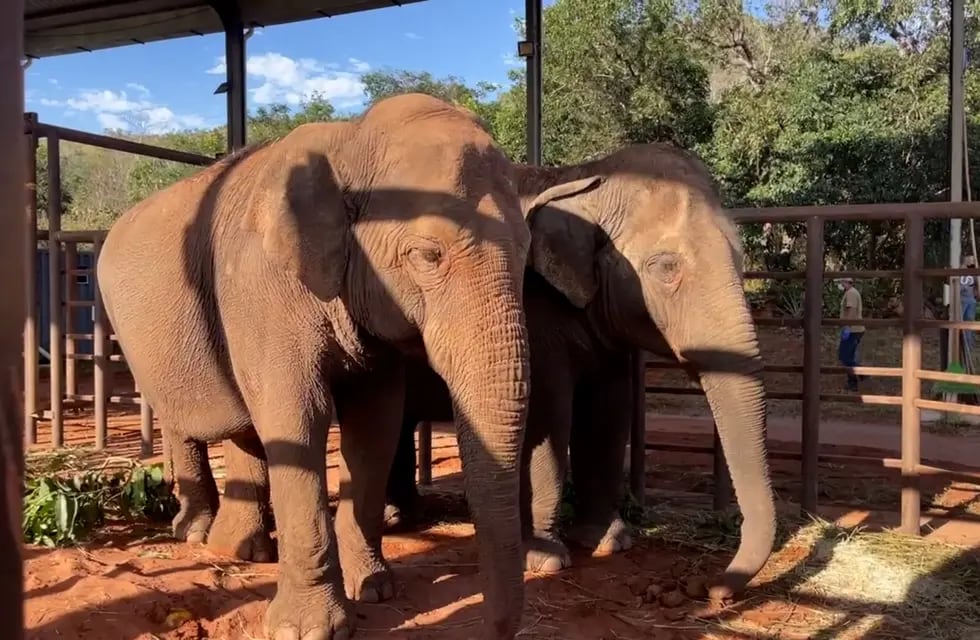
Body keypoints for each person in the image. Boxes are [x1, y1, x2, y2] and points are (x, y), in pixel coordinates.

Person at [837, 278, 865, 392]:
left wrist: (847, 326)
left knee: (845, 357)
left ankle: (855, 380)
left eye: (842, 282)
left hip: (853, 330)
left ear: (846, 282)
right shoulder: (851, 293)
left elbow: (851, 310)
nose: (840, 284)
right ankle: (861, 375)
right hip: (854, 329)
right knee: (849, 356)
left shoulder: (851, 293)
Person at [960, 255, 978, 353]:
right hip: (961, 299)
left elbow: (977, 285)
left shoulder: (974, 272)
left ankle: (968, 345)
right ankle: (959, 344)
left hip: (971, 300)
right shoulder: (959, 270)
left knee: (969, 322)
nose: (971, 262)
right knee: (959, 322)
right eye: (970, 260)